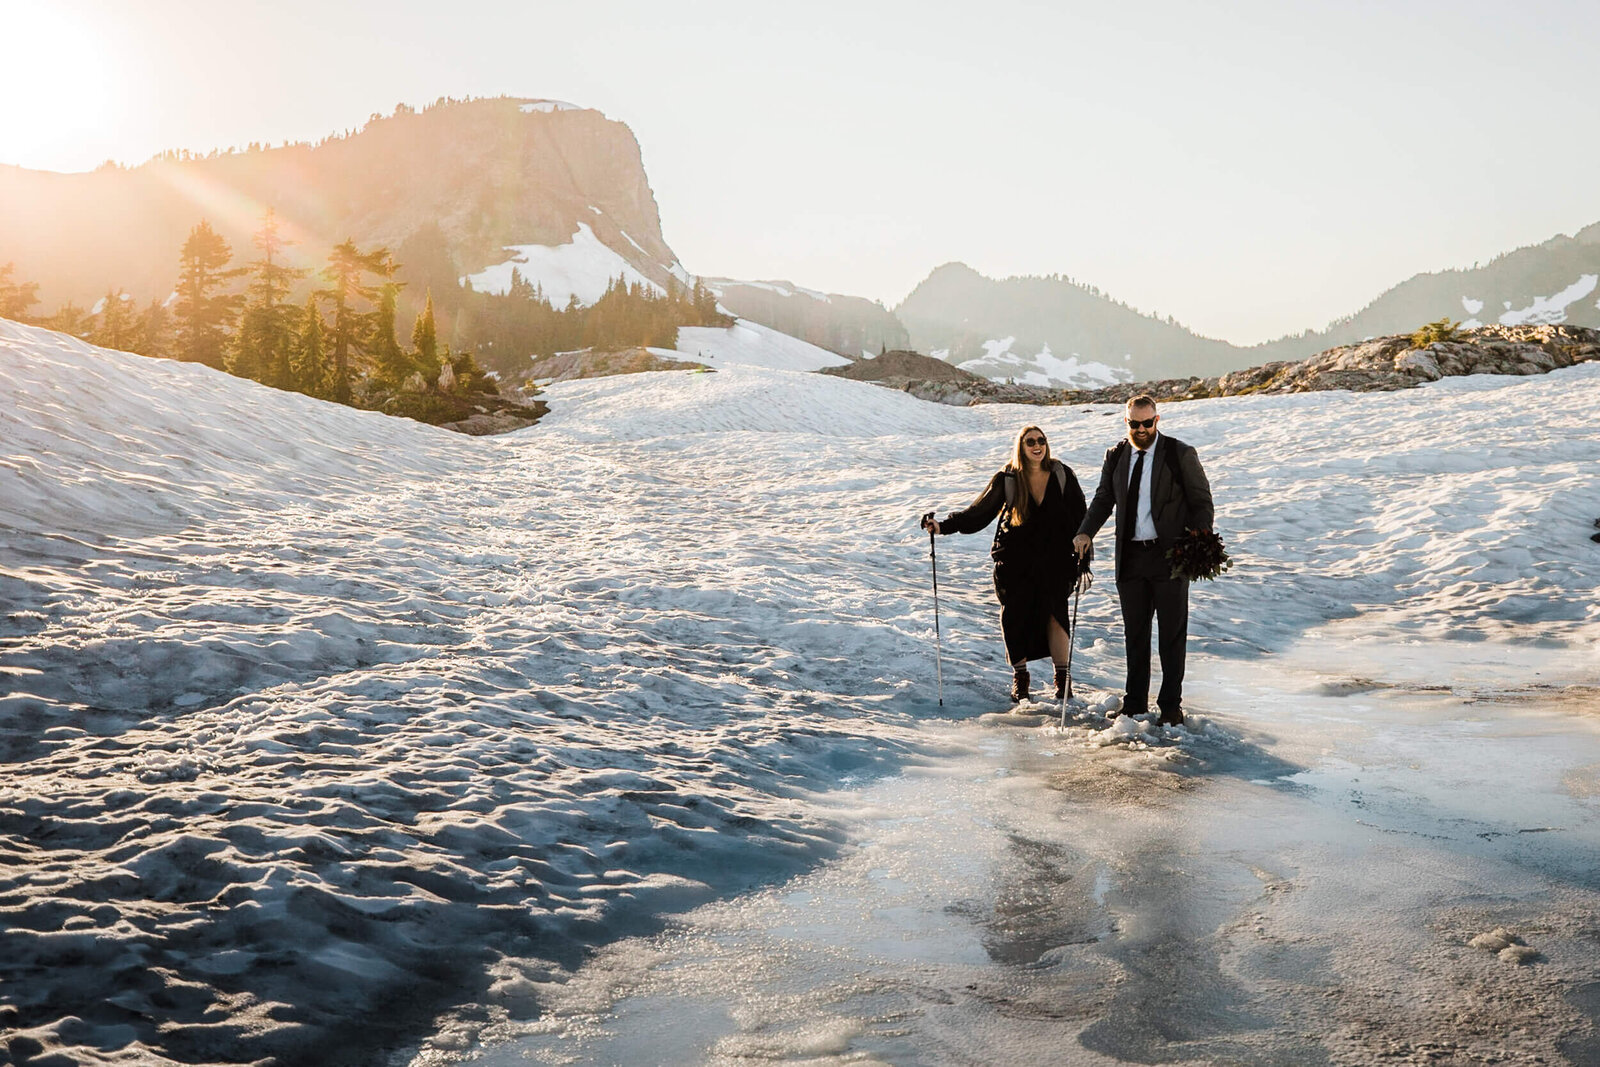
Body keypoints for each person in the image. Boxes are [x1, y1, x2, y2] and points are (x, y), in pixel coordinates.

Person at [922, 425, 1092, 703]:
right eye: (1030, 442)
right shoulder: (1008, 479)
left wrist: (1083, 546)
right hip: (1014, 562)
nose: (1037, 445)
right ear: (1021, 447)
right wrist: (942, 527)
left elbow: (1080, 514)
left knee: (1056, 615)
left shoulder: (1062, 474)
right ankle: (1021, 679)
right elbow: (979, 513)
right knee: (1014, 617)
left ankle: (1063, 680)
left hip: (1055, 560)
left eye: (1041, 440)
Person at [1072, 394, 1214, 726]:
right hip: (1131, 557)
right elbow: (1104, 498)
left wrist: (1197, 539)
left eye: (1147, 423)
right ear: (1127, 423)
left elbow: (1201, 501)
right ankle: (1135, 703)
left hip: (1170, 558)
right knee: (1135, 635)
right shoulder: (1117, 455)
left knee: (1171, 636)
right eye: (1134, 424)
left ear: (1157, 421)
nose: (1141, 429)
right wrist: (1085, 532)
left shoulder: (1179, 454)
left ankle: (1170, 707)